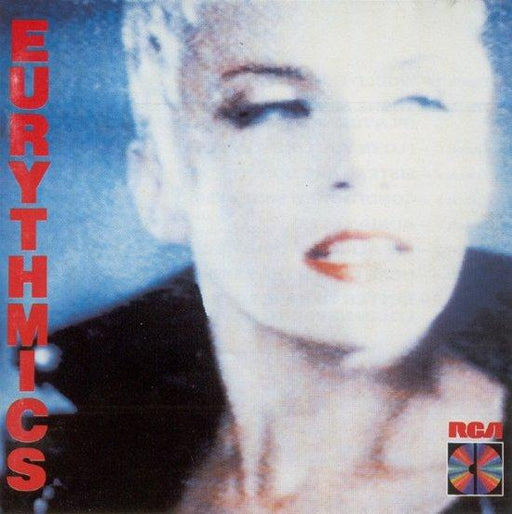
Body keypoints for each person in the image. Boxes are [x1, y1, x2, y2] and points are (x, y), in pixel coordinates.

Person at [4, 1, 510, 513]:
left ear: (478, 169)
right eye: (273, 108)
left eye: (420, 101)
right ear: (158, 183)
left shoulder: (480, 471)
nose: (360, 165)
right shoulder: (57, 475)